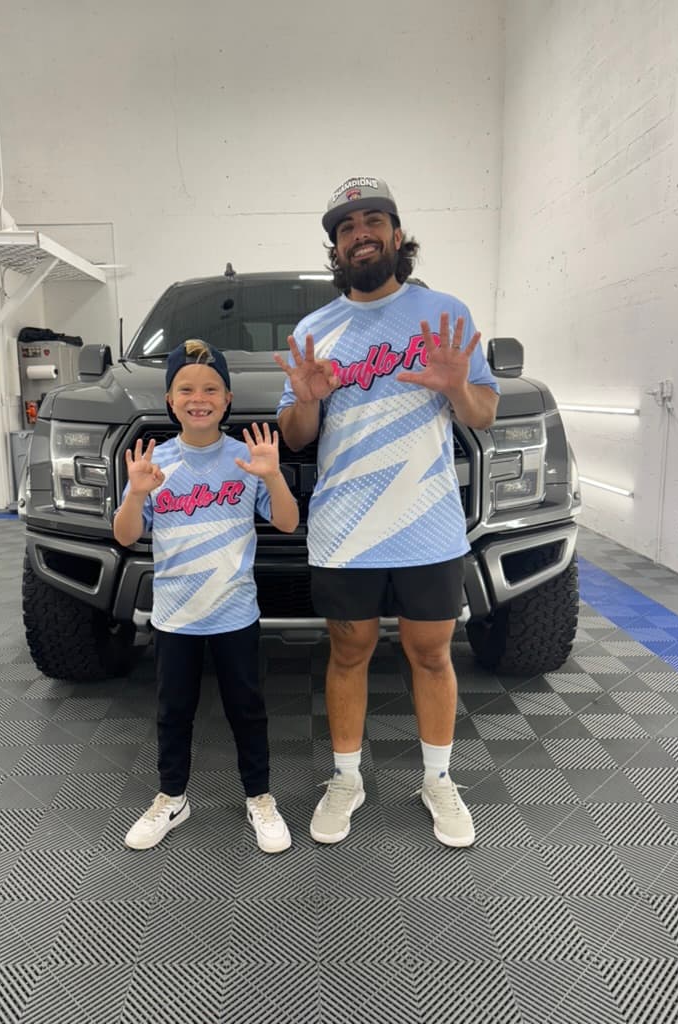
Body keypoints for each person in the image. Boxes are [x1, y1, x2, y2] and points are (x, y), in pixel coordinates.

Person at [275, 177, 500, 848]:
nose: (361, 232)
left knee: (431, 653)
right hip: (346, 529)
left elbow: (484, 415)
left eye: (374, 220)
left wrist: (458, 384)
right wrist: (308, 398)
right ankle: (346, 779)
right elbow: (294, 436)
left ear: (398, 236)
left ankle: (438, 779)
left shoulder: (445, 314)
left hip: (429, 522)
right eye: (347, 227)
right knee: (349, 651)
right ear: (336, 247)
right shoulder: (315, 331)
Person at [114, 338, 299, 854]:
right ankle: (172, 797)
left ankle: (259, 797)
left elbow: (287, 522)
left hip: (235, 612)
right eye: (186, 389)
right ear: (170, 401)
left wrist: (274, 476)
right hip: (175, 617)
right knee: (174, 711)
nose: (200, 397)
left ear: (228, 398)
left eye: (211, 388)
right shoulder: (154, 465)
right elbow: (126, 535)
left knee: (248, 709)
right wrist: (135, 494)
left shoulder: (246, 459)